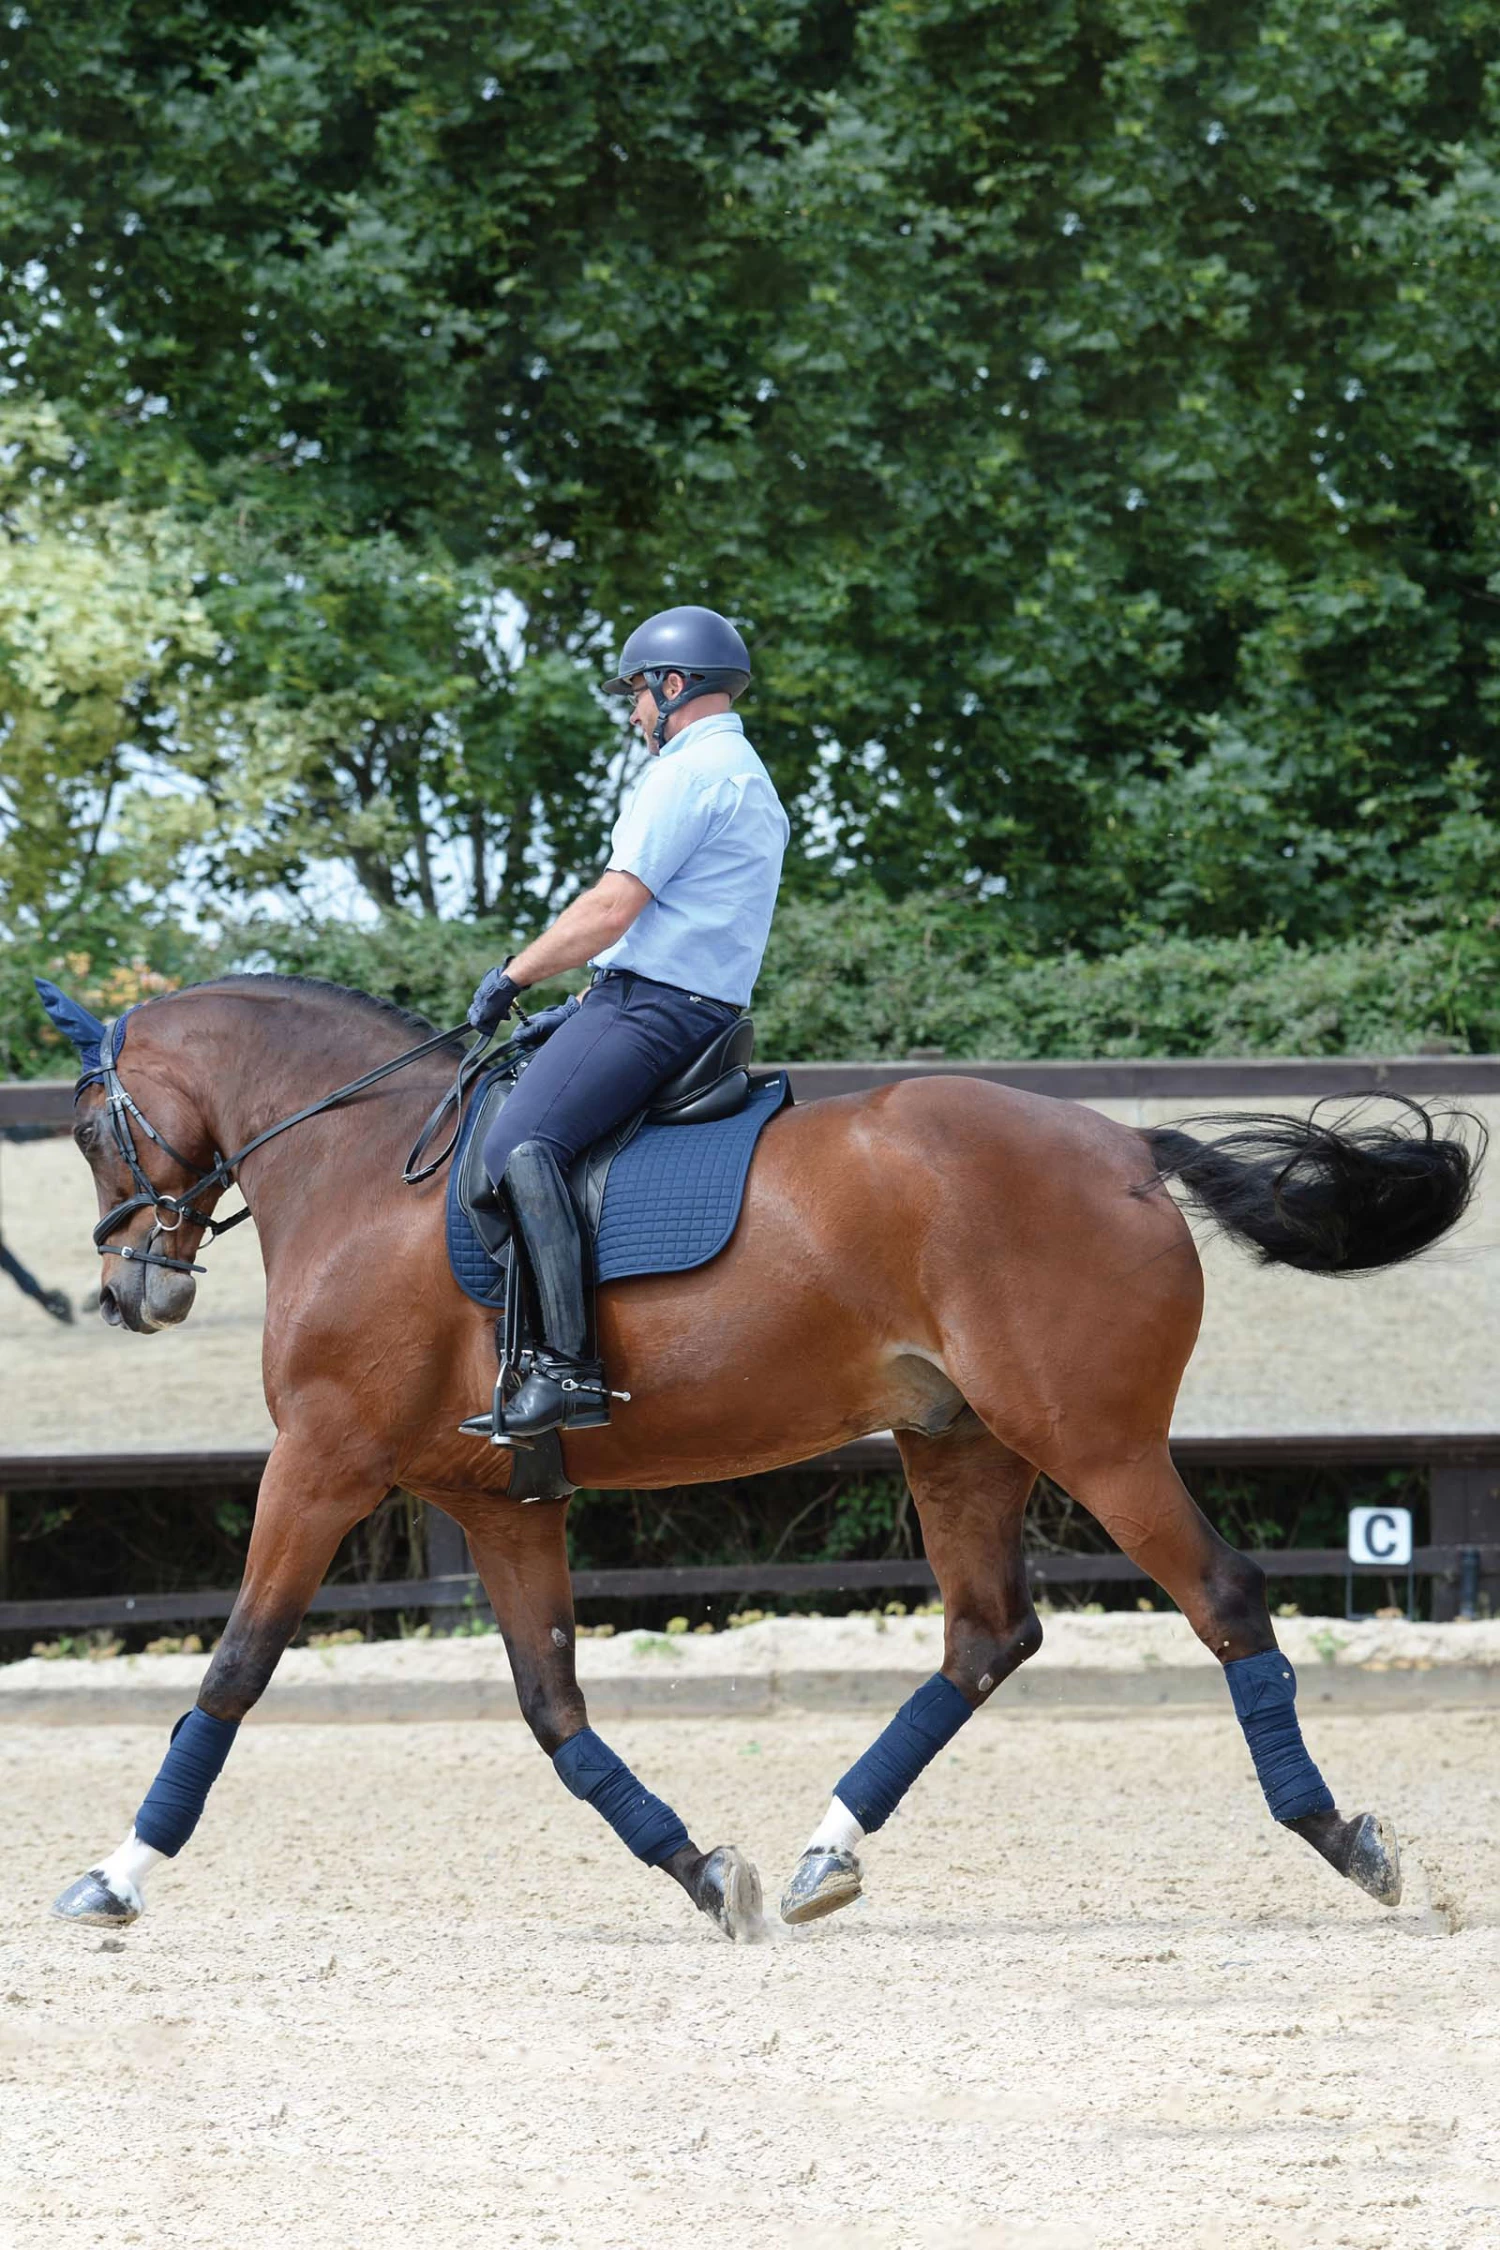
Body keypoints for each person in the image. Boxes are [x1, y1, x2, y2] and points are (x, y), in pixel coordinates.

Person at [463, 604, 790, 1439]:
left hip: (654, 1008)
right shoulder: (746, 772)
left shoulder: (686, 772)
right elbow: (679, 927)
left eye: (638, 696)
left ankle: (566, 1369)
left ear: (673, 685)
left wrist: (512, 974)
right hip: (674, 999)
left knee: (516, 1147)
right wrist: (575, 1003)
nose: (636, 714)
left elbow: (612, 907)